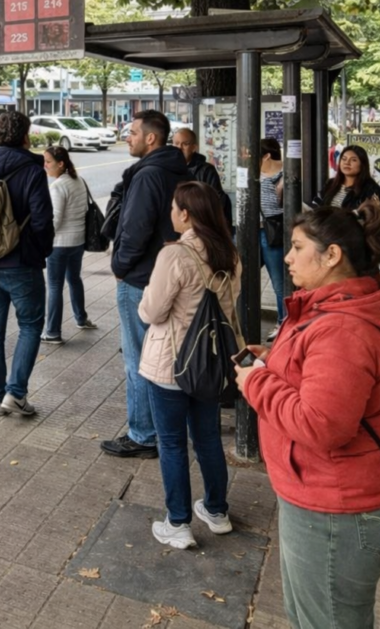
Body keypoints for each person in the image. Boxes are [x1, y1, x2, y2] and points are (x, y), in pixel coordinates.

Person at [236, 202, 380, 628]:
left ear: (332, 256)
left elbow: (321, 424)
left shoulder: (342, 328)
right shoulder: (329, 309)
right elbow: (321, 379)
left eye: (297, 247)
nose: (287, 257)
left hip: (336, 510)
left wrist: (255, 383)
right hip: (320, 498)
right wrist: (274, 361)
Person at [138, 183, 239, 550]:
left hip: (171, 363)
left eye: (174, 208)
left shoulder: (175, 255)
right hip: (210, 364)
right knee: (208, 437)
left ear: (185, 214)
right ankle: (216, 511)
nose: (171, 214)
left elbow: (152, 311)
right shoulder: (229, 253)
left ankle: (178, 522)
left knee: (172, 442)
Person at [103, 109, 191, 459]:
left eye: (133, 132)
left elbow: (135, 228)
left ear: (151, 138)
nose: (128, 137)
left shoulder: (147, 175)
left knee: (139, 358)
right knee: (161, 356)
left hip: (141, 278)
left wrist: (119, 266)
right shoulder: (176, 169)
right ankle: (162, 428)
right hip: (167, 275)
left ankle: (143, 434)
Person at [0, 112, 54, 417]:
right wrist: (40, 252)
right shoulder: (33, 172)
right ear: (26, 136)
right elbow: (43, 220)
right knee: (31, 325)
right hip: (21, 262)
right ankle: (15, 393)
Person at [41, 145, 94, 344]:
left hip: (60, 244)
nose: (45, 166)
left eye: (48, 162)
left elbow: (55, 219)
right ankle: (81, 318)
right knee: (74, 279)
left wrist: (43, 240)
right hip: (78, 241)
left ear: (61, 163)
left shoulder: (57, 186)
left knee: (55, 286)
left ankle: (53, 332)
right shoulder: (78, 180)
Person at [172, 127, 232, 230]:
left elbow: (217, 202)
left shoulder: (206, 170)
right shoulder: (168, 169)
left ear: (194, 147)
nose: (179, 148)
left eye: (185, 144)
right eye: (176, 143)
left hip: (201, 229)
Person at [260, 138, 286, 340]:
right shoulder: (250, 172)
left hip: (273, 232)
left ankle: (282, 324)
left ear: (267, 155)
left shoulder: (286, 173)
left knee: (279, 282)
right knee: (242, 279)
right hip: (251, 231)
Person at [319, 144, 380, 210]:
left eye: (353, 160)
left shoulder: (371, 188)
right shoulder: (331, 183)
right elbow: (317, 205)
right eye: (344, 159)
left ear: (362, 165)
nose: (347, 163)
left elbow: (376, 215)